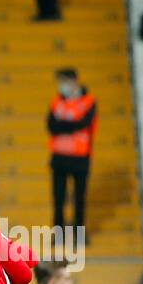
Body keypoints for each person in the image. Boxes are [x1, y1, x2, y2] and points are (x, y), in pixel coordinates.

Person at [47, 69, 96, 236]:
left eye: (64, 81)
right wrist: (72, 124)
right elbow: (51, 126)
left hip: (80, 158)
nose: (62, 86)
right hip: (59, 158)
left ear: (74, 81)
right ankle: (58, 234)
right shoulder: (56, 102)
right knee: (58, 199)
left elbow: (85, 123)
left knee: (79, 199)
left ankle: (79, 234)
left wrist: (64, 124)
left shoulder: (89, 102)